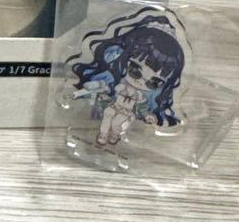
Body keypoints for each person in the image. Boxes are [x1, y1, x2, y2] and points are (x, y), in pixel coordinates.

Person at [68, 9, 185, 150]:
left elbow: (142, 109)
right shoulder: (118, 83)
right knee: (107, 115)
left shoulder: (141, 96)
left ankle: (115, 135)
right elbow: (104, 89)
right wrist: (89, 93)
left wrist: (149, 116)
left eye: (153, 82)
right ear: (124, 58)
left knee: (116, 123)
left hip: (127, 113)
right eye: (135, 70)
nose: (140, 81)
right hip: (112, 106)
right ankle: (103, 134)